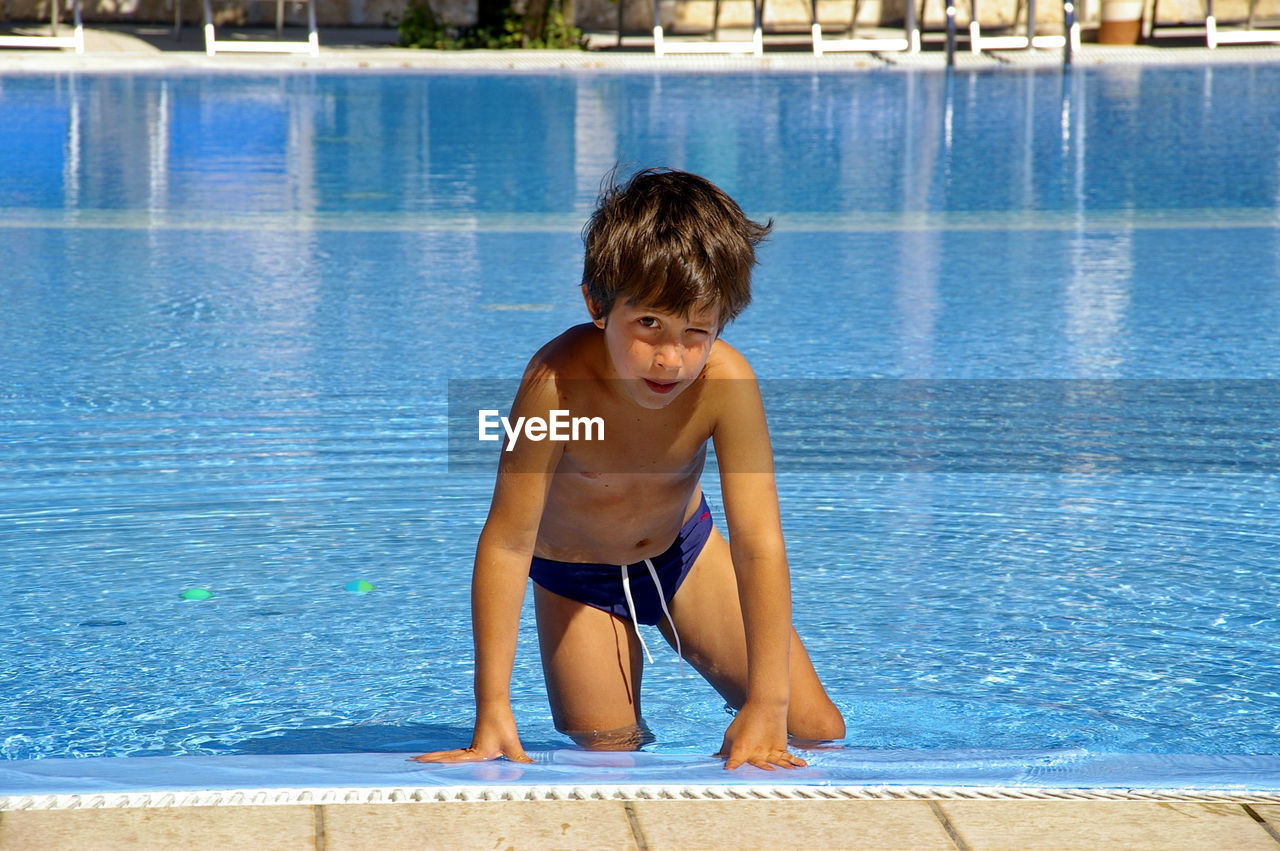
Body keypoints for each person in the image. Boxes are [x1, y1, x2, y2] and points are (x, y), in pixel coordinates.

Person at [413, 168, 844, 771]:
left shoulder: (728, 384)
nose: (672, 357)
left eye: (697, 331)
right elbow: (509, 540)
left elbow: (759, 544)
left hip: (682, 555)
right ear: (597, 304)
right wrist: (493, 708)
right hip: (576, 578)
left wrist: (767, 704)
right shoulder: (555, 386)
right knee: (609, 750)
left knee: (815, 731)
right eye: (649, 326)